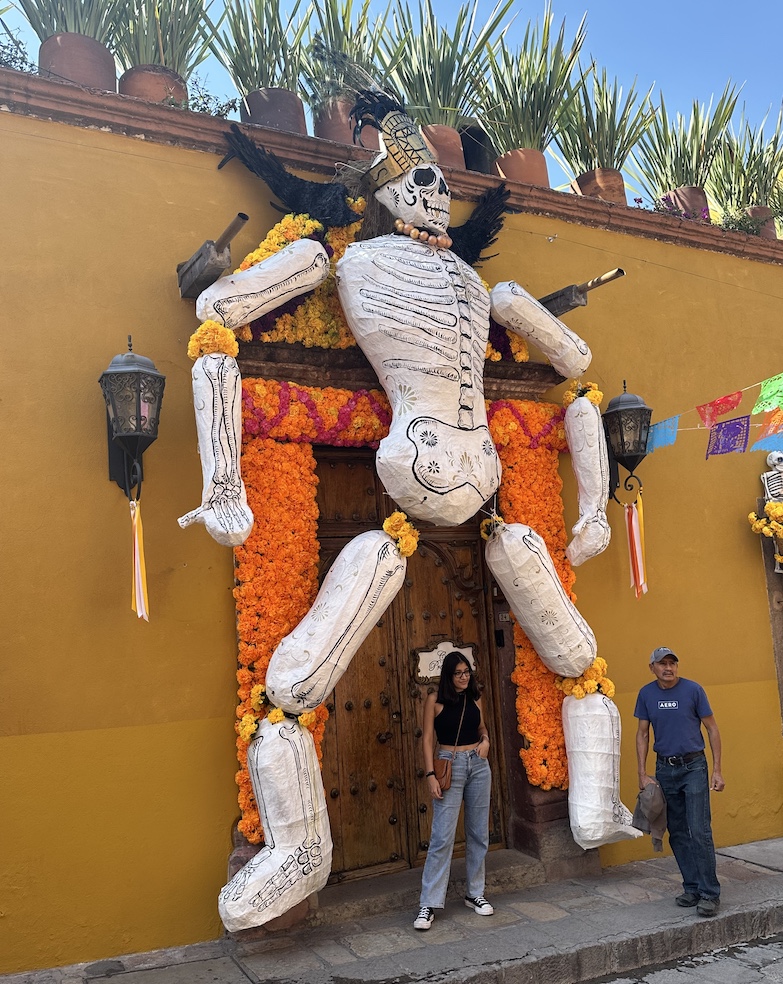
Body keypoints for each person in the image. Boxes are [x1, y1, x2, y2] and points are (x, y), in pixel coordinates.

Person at [634, 647, 725, 917]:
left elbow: (712, 728)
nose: (668, 668)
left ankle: (710, 893)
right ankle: (693, 887)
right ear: (652, 667)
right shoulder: (646, 694)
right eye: (662, 664)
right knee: (678, 831)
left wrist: (717, 770)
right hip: (665, 769)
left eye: (672, 663)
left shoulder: (693, 690)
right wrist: (642, 773)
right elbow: (642, 735)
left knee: (699, 830)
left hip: (694, 766)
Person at [414, 651, 493, 931]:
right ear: (448, 675)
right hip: (449, 765)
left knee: (478, 833)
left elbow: (482, 727)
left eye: (466, 672)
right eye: (458, 673)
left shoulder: (475, 697)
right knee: (442, 837)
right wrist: (430, 774)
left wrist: (485, 740)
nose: (463, 677)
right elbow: (427, 740)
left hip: (478, 765)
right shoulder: (435, 701)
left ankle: (475, 893)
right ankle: (429, 903)